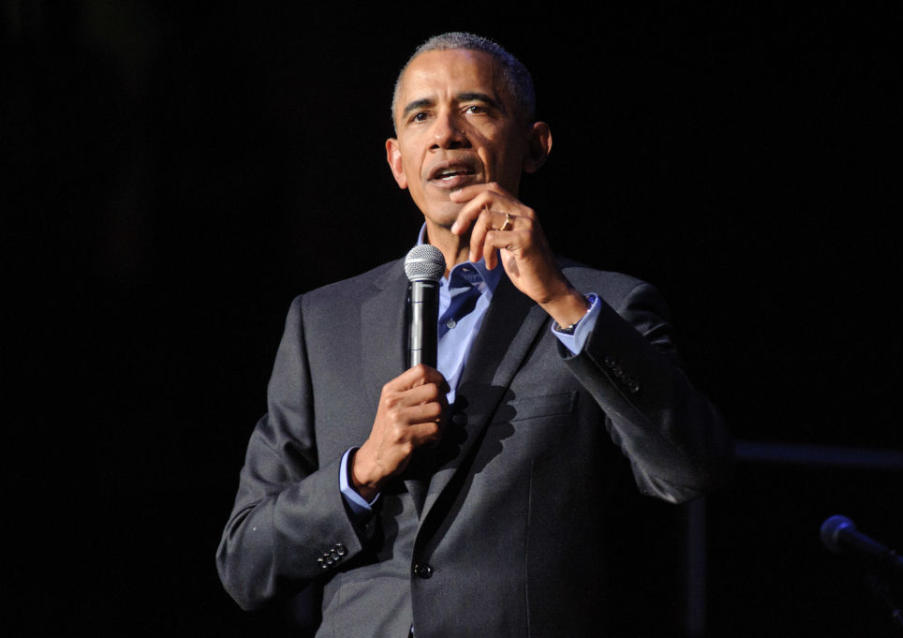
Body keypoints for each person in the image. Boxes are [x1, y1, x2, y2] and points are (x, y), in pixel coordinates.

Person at [217, 32, 731, 637]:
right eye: (420, 115)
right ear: (398, 162)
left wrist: (559, 301)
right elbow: (245, 566)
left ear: (535, 146)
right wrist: (360, 473)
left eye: (475, 108)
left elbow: (689, 471)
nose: (446, 133)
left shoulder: (607, 307)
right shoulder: (321, 321)